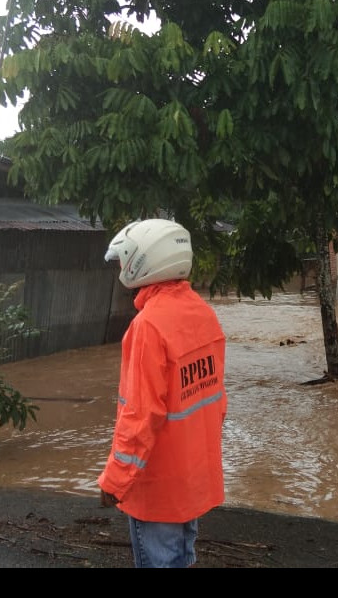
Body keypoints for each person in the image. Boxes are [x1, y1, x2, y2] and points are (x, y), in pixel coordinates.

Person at [98, 218, 227, 568]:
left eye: (125, 259)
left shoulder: (148, 326)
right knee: (182, 560)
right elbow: (216, 402)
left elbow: (140, 416)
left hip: (158, 487)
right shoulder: (203, 314)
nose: (122, 267)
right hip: (192, 480)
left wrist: (115, 480)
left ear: (144, 262)